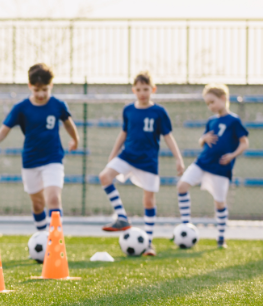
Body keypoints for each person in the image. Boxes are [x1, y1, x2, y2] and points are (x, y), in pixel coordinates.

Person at [0, 63, 79, 231]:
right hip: (31, 161)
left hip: (53, 159)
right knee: (38, 204)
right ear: (30, 86)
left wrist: (75, 139)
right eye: (37, 90)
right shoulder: (21, 108)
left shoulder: (58, 105)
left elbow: (69, 124)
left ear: (51, 86)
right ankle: (41, 236)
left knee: (53, 198)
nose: (41, 94)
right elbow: (4, 131)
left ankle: (55, 241)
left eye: (45, 89)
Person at [98, 71, 184, 256]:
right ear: (133, 90)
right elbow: (123, 133)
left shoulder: (159, 112)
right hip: (128, 155)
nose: (142, 93)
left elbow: (168, 136)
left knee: (149, 200)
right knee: (104, 176)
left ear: (153, 89)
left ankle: (149, 243)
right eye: (138, 89)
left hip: (148, 162)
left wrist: (178, 158)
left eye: (146, 89)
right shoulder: (128, 110)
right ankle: (122, 217)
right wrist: (113, 154)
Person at [176, 84, 249, 248]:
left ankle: (221, 238)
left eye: (212, 102)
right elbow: (203, 140)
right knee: (182, 186)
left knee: (219, 203)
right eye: (207, 104)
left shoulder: (234, 121)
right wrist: (203, 139)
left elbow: (244, 143)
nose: (210, 106)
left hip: (220, 168)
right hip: (202, 162)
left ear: (223, 99)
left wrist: (232, 155)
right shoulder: (211, 121)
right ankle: (186, 227)